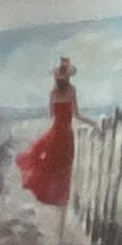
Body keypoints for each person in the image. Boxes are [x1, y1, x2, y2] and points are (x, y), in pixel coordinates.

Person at [15, 54, 76, 210]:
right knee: (64, 166)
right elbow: (76, 114)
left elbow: (52, 115)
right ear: (68, 77)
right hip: (66, 134)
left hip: (56, 132)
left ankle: (54, 197)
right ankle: (61, 199)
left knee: (52, 165)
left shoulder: (53, 94)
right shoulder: (72, 91)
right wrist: (92, 123)